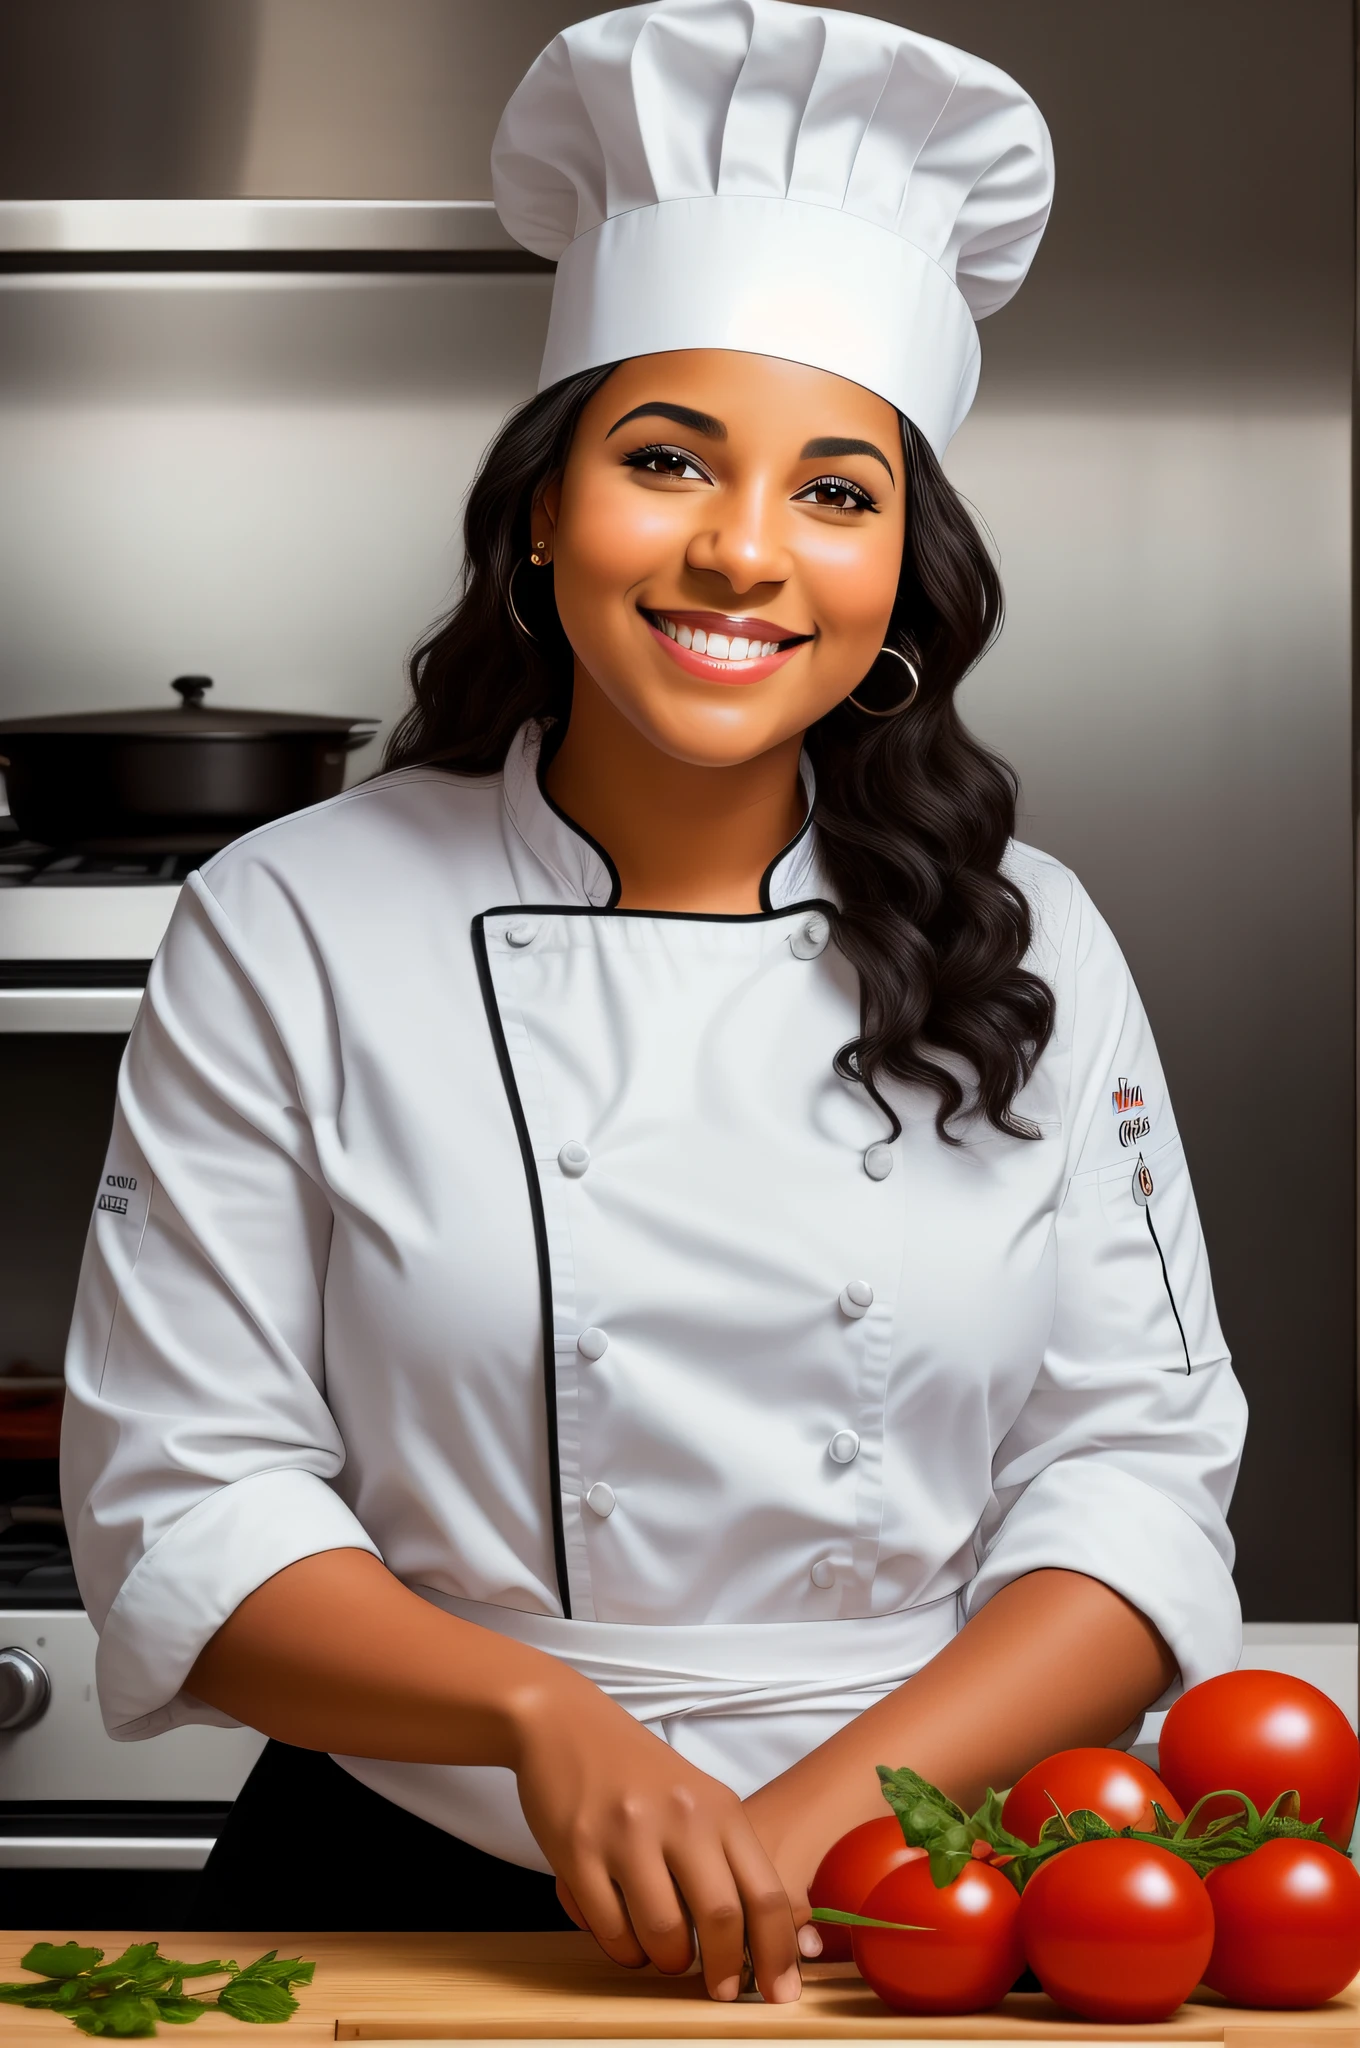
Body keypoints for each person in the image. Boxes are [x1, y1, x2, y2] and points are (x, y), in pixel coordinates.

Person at [61, 0, 1246, 1995]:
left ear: (897, 577)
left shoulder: (1029, 933)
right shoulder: (288, 916)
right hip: (406, 1861)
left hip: (922, 1884)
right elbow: (191, 1487)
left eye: (833, 492)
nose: (739, 551)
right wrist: (546, 1721)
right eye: (666, 458)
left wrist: (804, 1824)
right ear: (541, 508)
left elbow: (1129, 1473)